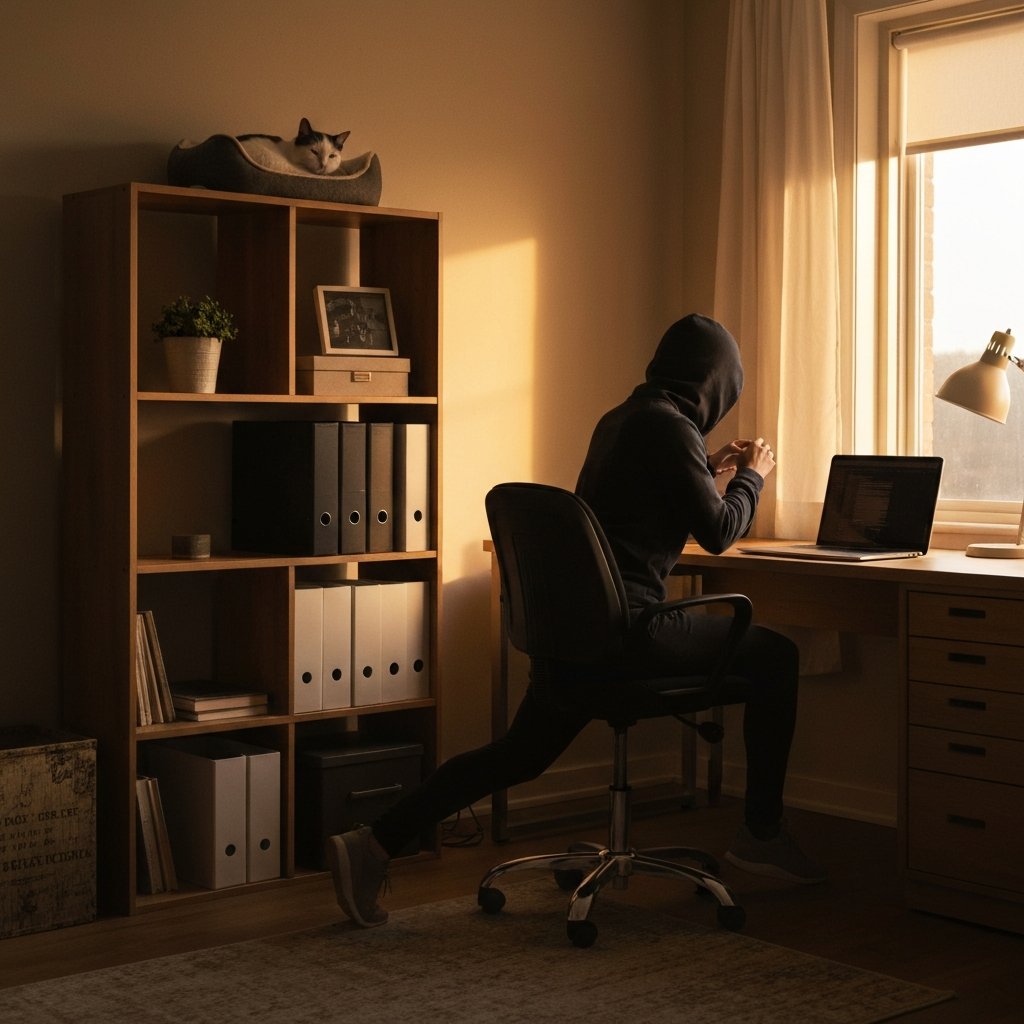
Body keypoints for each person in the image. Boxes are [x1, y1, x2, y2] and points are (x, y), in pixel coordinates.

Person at [326, 313, 826, 929]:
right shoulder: (670, 432)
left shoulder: (624, 418)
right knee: (777, 658)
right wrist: (754, 475)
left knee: (517, 755)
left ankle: (373, 843)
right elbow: (721, 533)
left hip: (575, 638)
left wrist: (710, 467)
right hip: (631, 635)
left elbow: (649, 498)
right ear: (716, 385)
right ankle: (761, 833)